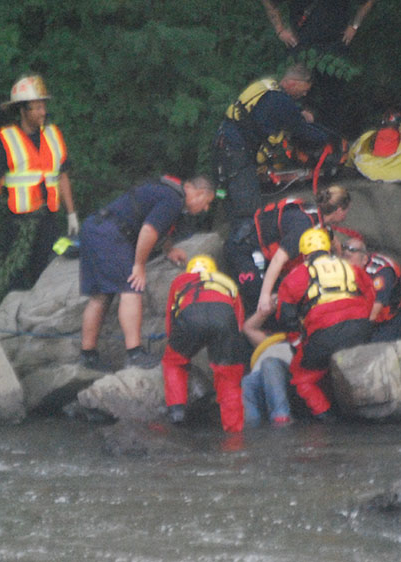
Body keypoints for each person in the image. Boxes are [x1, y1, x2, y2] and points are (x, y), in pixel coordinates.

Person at [78, 175, 216, 371]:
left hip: (95, 227)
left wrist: (168, 250)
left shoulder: (170, 193)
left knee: (101, 296)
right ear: (200, 193)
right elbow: (149, 230)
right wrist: (139, 265)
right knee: (132, 287)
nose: (206, 209)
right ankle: (134, 353)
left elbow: (159, 226)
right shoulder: (174, 200)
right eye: (207, 203)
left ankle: (88, 355)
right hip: (111, 233)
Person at [0, 74, 78, 290]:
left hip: (48, 220)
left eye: (43, 106)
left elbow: (62, 176)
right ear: (22, 110)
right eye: (36, 107)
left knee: (47, 274)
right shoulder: (7, 140)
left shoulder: (54, 135)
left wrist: (72, 214)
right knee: (14, 276)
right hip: (17, 223)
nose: (43, 112)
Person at [262, 0, 376, 136]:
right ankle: (298, 148)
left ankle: (331, 149)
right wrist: (280, 30)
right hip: (301, 49)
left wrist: (354, 25)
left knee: (333, 102)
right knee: (299, 102)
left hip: (334, 49)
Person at [276, 227, 374, 421]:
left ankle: (326, 417)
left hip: (324, 336)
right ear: (329, 249)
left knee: (301, 378)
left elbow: (285, 319)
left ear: (304, 254)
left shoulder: (296, 276)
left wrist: (298, 342)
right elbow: (370, 294)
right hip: (360, 330)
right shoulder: (351, 268)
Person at [213, 63, 329, 226]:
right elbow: (301, 132)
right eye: (304, 89)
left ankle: (226, 231)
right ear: (292, 83)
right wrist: (327, 138)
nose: (305, 94)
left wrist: (299, 115)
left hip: (223, 144)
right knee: (248, 208)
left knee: (225, 195)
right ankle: (244, 242)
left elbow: (269, 115)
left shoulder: (267, 90)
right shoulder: (280, 101)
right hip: (238, 153)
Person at [223, 184, 351, 316]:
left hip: (263, 253)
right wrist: (264, 296)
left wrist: (341, 260)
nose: (346, 215)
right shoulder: (303, 227)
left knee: (285, 294)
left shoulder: (317, 217)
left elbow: (334, 241)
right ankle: (250, 328)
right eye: (347, 211)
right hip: (243, 247)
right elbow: (278, 259)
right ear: (339, 210)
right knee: (259, 296)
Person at [161, 255, 246, 433]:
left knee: (173, 361)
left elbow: (172, 316)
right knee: (228, 375)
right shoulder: (226, 282)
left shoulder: (180, 281)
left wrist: (175, 344)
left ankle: (177, 411)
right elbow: (238, 321)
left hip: (191, 315)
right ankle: (234, 432)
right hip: (224, 318)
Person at [240, 301, 295, 427]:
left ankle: (281, 417)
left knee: (269, 364)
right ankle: (251, 426)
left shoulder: (297, 336)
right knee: (246, 382)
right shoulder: (267, 340)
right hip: (260, 375)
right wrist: (270, 305)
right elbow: (248, 328)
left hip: (285, 370)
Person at [340, 236, 401, 340]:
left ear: (364, 259)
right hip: (363, 306)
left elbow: (374, 314)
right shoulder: (344, 266)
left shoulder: (381, 274)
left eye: (351, 266)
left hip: (387, 318)